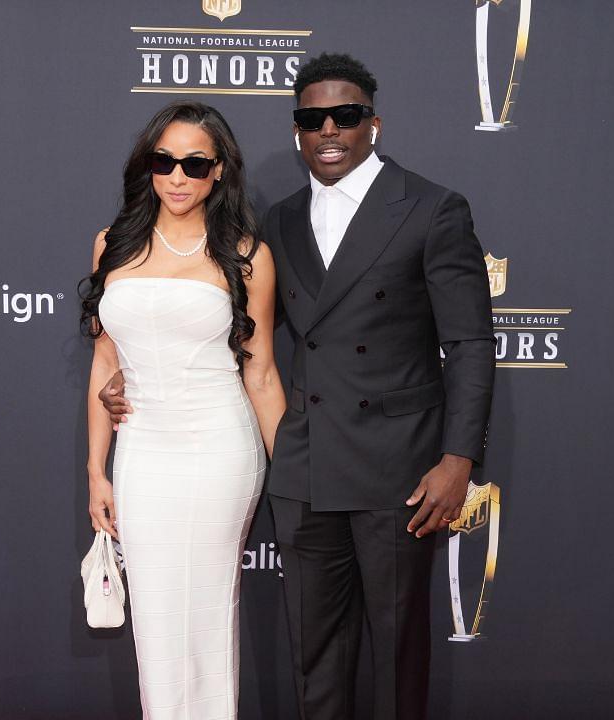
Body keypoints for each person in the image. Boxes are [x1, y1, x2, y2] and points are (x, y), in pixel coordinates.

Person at [102, 54, 496, 719]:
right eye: (314, 119)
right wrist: (130, 371)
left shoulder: (431, 208)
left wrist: (458, 460)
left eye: (346, 115)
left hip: (398, 470)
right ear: (296, 131)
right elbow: (229, 335)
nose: (330, 130)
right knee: (314, 657)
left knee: (397, 655)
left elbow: (470, 344)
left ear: (374, 122)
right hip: (305, 466)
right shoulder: (277, 222)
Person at [81, 100, 285, 720]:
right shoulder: (111, 246)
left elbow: (263, 373)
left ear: (219, 171)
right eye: (163, 160)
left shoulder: (247, 256)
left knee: (206, 608)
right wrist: (97, 470)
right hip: (142, 449)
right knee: (157, 614)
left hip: (218, 447)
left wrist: (299, 474)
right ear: (147, 165)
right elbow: (103, 366)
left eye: (194, 164)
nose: (176, 176)